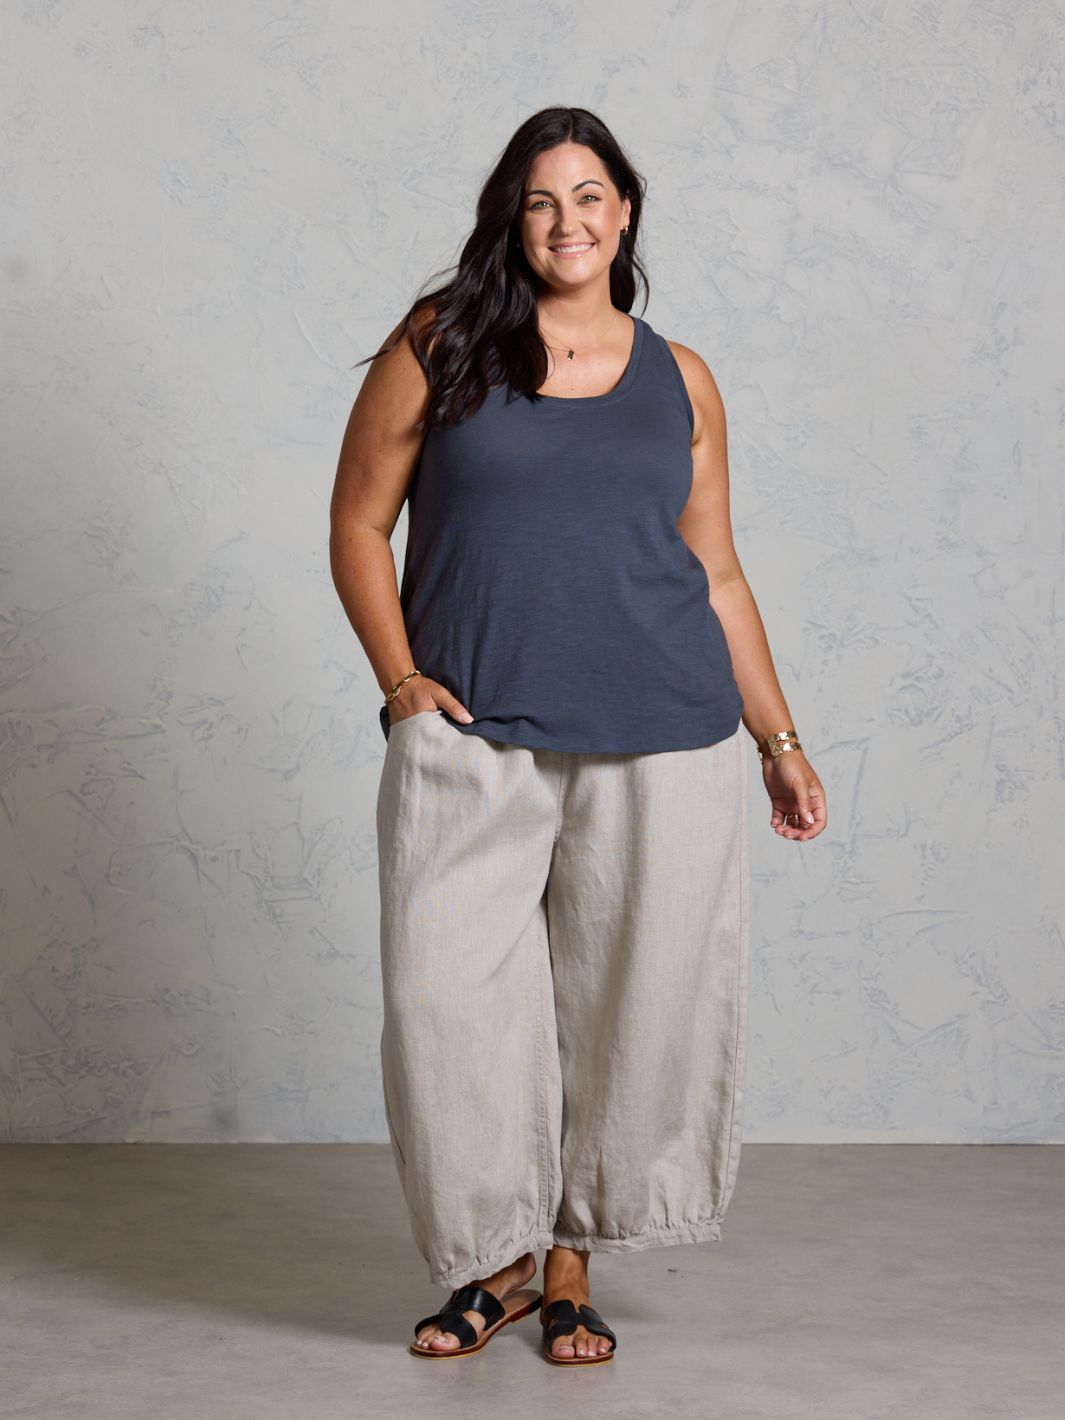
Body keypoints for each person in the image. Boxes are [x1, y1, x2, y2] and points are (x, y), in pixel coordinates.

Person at [329, 105, 827, 1367]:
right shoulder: (439, 344)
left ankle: (563, 1269)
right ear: (514, 213)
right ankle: (486, 1260)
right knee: (450, 1004)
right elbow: (354, 526)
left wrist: (778, 738)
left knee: (625, 1007)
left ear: (625, 212)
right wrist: (399, 683)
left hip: (664, 734)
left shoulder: (683, 377)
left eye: (592, 196)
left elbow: (714, 572)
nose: (569, 222)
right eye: (545, 199)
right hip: (475, 731)